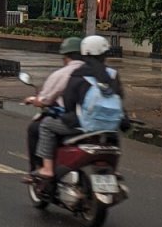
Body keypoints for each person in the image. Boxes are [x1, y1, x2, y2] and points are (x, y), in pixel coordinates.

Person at [36, 33, 124, 182]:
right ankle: (114, 171)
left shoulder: (79, 74)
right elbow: (120, 98)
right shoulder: (113, 74)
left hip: (84, 125)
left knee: (46, 125)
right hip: (111, 126)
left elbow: (69, 102)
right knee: (114, 139)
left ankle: (47, 169)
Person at [25, 36, 83, 175]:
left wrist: (34, 100)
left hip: (78, 121)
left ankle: (43, 168)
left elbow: (45, 99)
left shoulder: (63, 74)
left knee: (38, 127)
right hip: (101, 123)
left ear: (65, 56)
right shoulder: (100, 72)